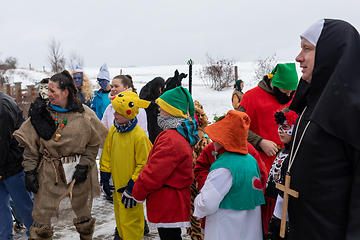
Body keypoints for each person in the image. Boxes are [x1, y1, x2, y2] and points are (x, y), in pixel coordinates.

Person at [281, 19, 360, 239]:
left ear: (332, 53)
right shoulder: (311, 101)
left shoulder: (353, 109)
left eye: (307, 49)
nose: (298, 57)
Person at [13, 70, 108, 239]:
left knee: (83, 216)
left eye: (52, 91)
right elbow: (30, 148)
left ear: (66, 93)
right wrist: (29, 172)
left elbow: (93, 144)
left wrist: (85, 165)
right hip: (48, 175)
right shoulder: (40, 114)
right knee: (41, 217)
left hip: (77, 174)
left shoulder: (84, 114)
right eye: (48, 90)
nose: (48, 94)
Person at [238, 63, 298, 234]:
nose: (288, 95)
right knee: (264, 217)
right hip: (261, 164)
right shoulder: (251, 97)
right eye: (284, 91)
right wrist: (259, 141)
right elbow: (236, 125)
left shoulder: (295, 97)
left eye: (291, 91)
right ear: (274, 83)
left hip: (290, 163)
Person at [132, 86, 199, 240]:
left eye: (163, 106)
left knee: (169, 236)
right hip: (173, 198)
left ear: (173, 110)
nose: (159, 109)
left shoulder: (171, 138)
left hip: (167, 200)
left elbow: (155, 172)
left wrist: (138, 192)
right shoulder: (179, 133)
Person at [193, 110, 265, 240]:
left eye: (215, 138)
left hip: (226, 228)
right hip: (249, 229)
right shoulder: (251, 160)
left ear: (224, 140)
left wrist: (198, 201)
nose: (213, 142)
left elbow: (206, 203)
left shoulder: (224, 166)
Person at [100, 91, 152, 240]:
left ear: (129, 114)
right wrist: (104, 173)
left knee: (132, 222)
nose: (114, 114)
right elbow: (107, 153)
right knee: (121, 219)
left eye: (119, 112)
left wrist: (133, 184)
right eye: (115, 110)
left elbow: (144, 163)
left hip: (131, 190)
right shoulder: (114, 130)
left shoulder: (139, 136)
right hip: (117, 188)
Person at [0, 91, 34, 240]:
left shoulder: (2, 106)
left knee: (25, 208)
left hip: (14, 166)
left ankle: (37, 236)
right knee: (1, 210)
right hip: (3, 165)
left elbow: (2, 142)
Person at [265, 107, 298, 240]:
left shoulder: (296, 154)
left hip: (285, 207)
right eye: (279, 126)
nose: (280, 131)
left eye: (285, 126)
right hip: (273, 201)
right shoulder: (282, 150)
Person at [139, 76, 165, 143]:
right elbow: (143, 103)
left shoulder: (159, 92)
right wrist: (154, 103)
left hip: (156, 119)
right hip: (147, 117)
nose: (160, 90)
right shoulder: (145, 91)